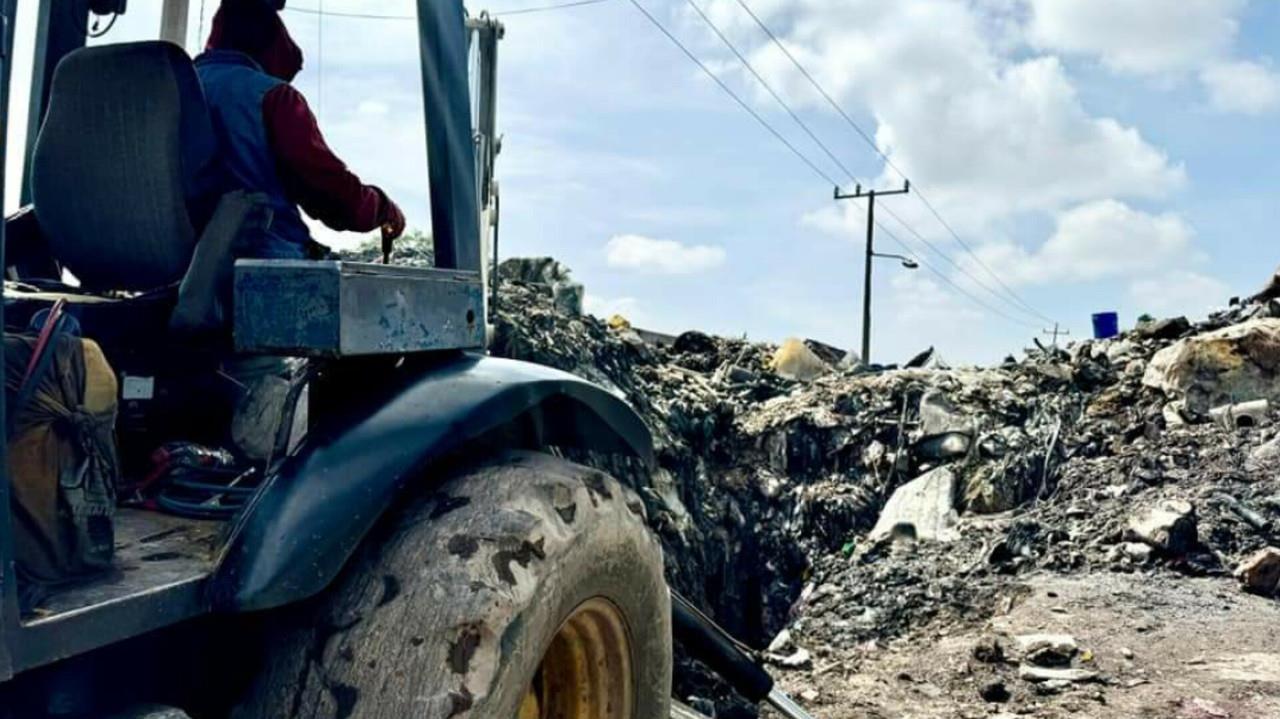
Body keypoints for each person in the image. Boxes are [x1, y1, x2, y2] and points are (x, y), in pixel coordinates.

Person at [194, 0, 406, 259]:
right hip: (262, 263)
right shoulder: (274, 97)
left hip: (185, 268)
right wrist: (383, 208)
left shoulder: (173, 86)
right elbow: (332, 193)